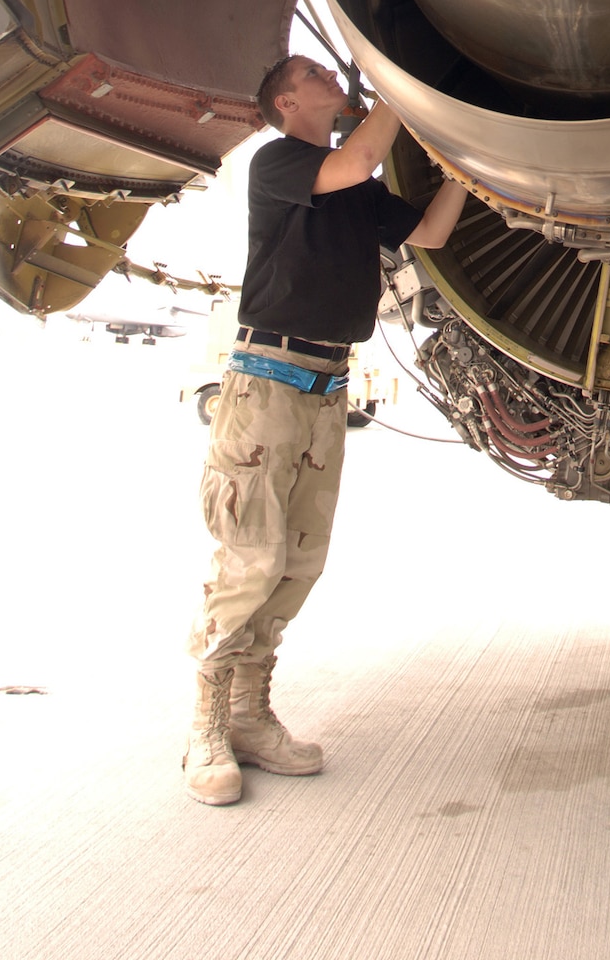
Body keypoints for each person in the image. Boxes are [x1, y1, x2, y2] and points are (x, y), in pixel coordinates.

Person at [183, 55, 467, 805]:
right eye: (314, 73)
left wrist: (470, 162)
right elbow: (365, 152)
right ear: (286, 99)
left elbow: (432, 233)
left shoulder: (357, 191)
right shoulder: (281, 162)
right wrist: (408, 86)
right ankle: (207, 722)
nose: (328, 78)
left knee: (300, 559)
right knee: (252, 552)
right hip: (268, 384)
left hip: (325, 388)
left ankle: (250, 713)